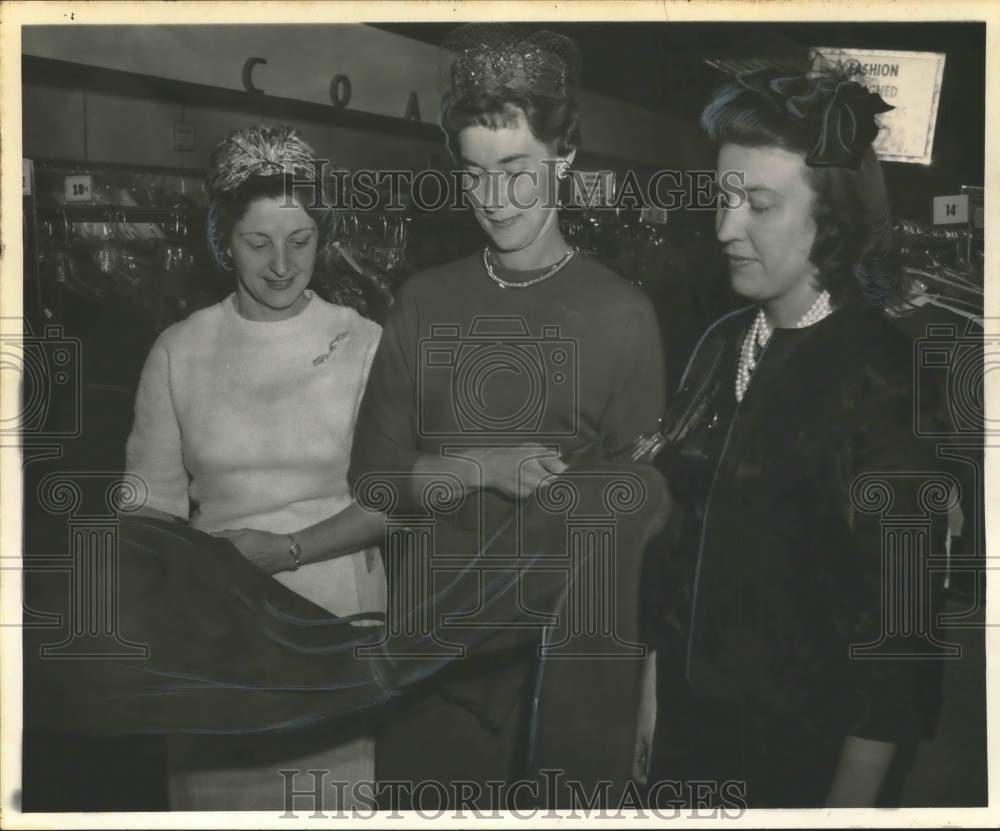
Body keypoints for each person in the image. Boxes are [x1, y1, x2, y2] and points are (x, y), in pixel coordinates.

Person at [347, 23, 668, 809]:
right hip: (430, 663)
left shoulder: (623, 315)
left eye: (516, 169)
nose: (493, 198)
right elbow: (375, 481)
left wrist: (642, 688)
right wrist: (480, 466)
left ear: (565, 158)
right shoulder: (423, 299)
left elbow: (646, 531)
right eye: (474, 172)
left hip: (565, 671)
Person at [633, 68, 948, 808]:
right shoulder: (720, 343)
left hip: (803, 763)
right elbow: (680, 550)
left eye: (759, 205)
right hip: (686, 739)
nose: (724, 228)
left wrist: (850, 805)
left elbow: (901, 635)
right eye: (722, 198)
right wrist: (649, 694)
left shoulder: (882, 379)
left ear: (829, 220)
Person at [124, 125, 387, 810]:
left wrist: (288, 548)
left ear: (322, 238)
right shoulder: (179, 350)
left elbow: (395, 498)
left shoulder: (362, 342)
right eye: (257, 242)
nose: (280, 264)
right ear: (222, 240)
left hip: (332, 623)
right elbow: (145, 512)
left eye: (299, 242)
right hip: (216, 632)